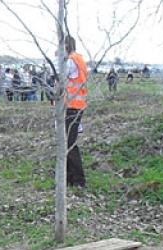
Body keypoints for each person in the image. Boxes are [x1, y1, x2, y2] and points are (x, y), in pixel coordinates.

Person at [62, 36, 88, 188]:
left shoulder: (71, 60)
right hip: (77, 106)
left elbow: (61, 76)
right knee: (69, 143)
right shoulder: (80, 59)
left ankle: (78, 180)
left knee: (70, 144)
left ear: (65, 45)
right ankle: (70, 178)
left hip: (73, 106)